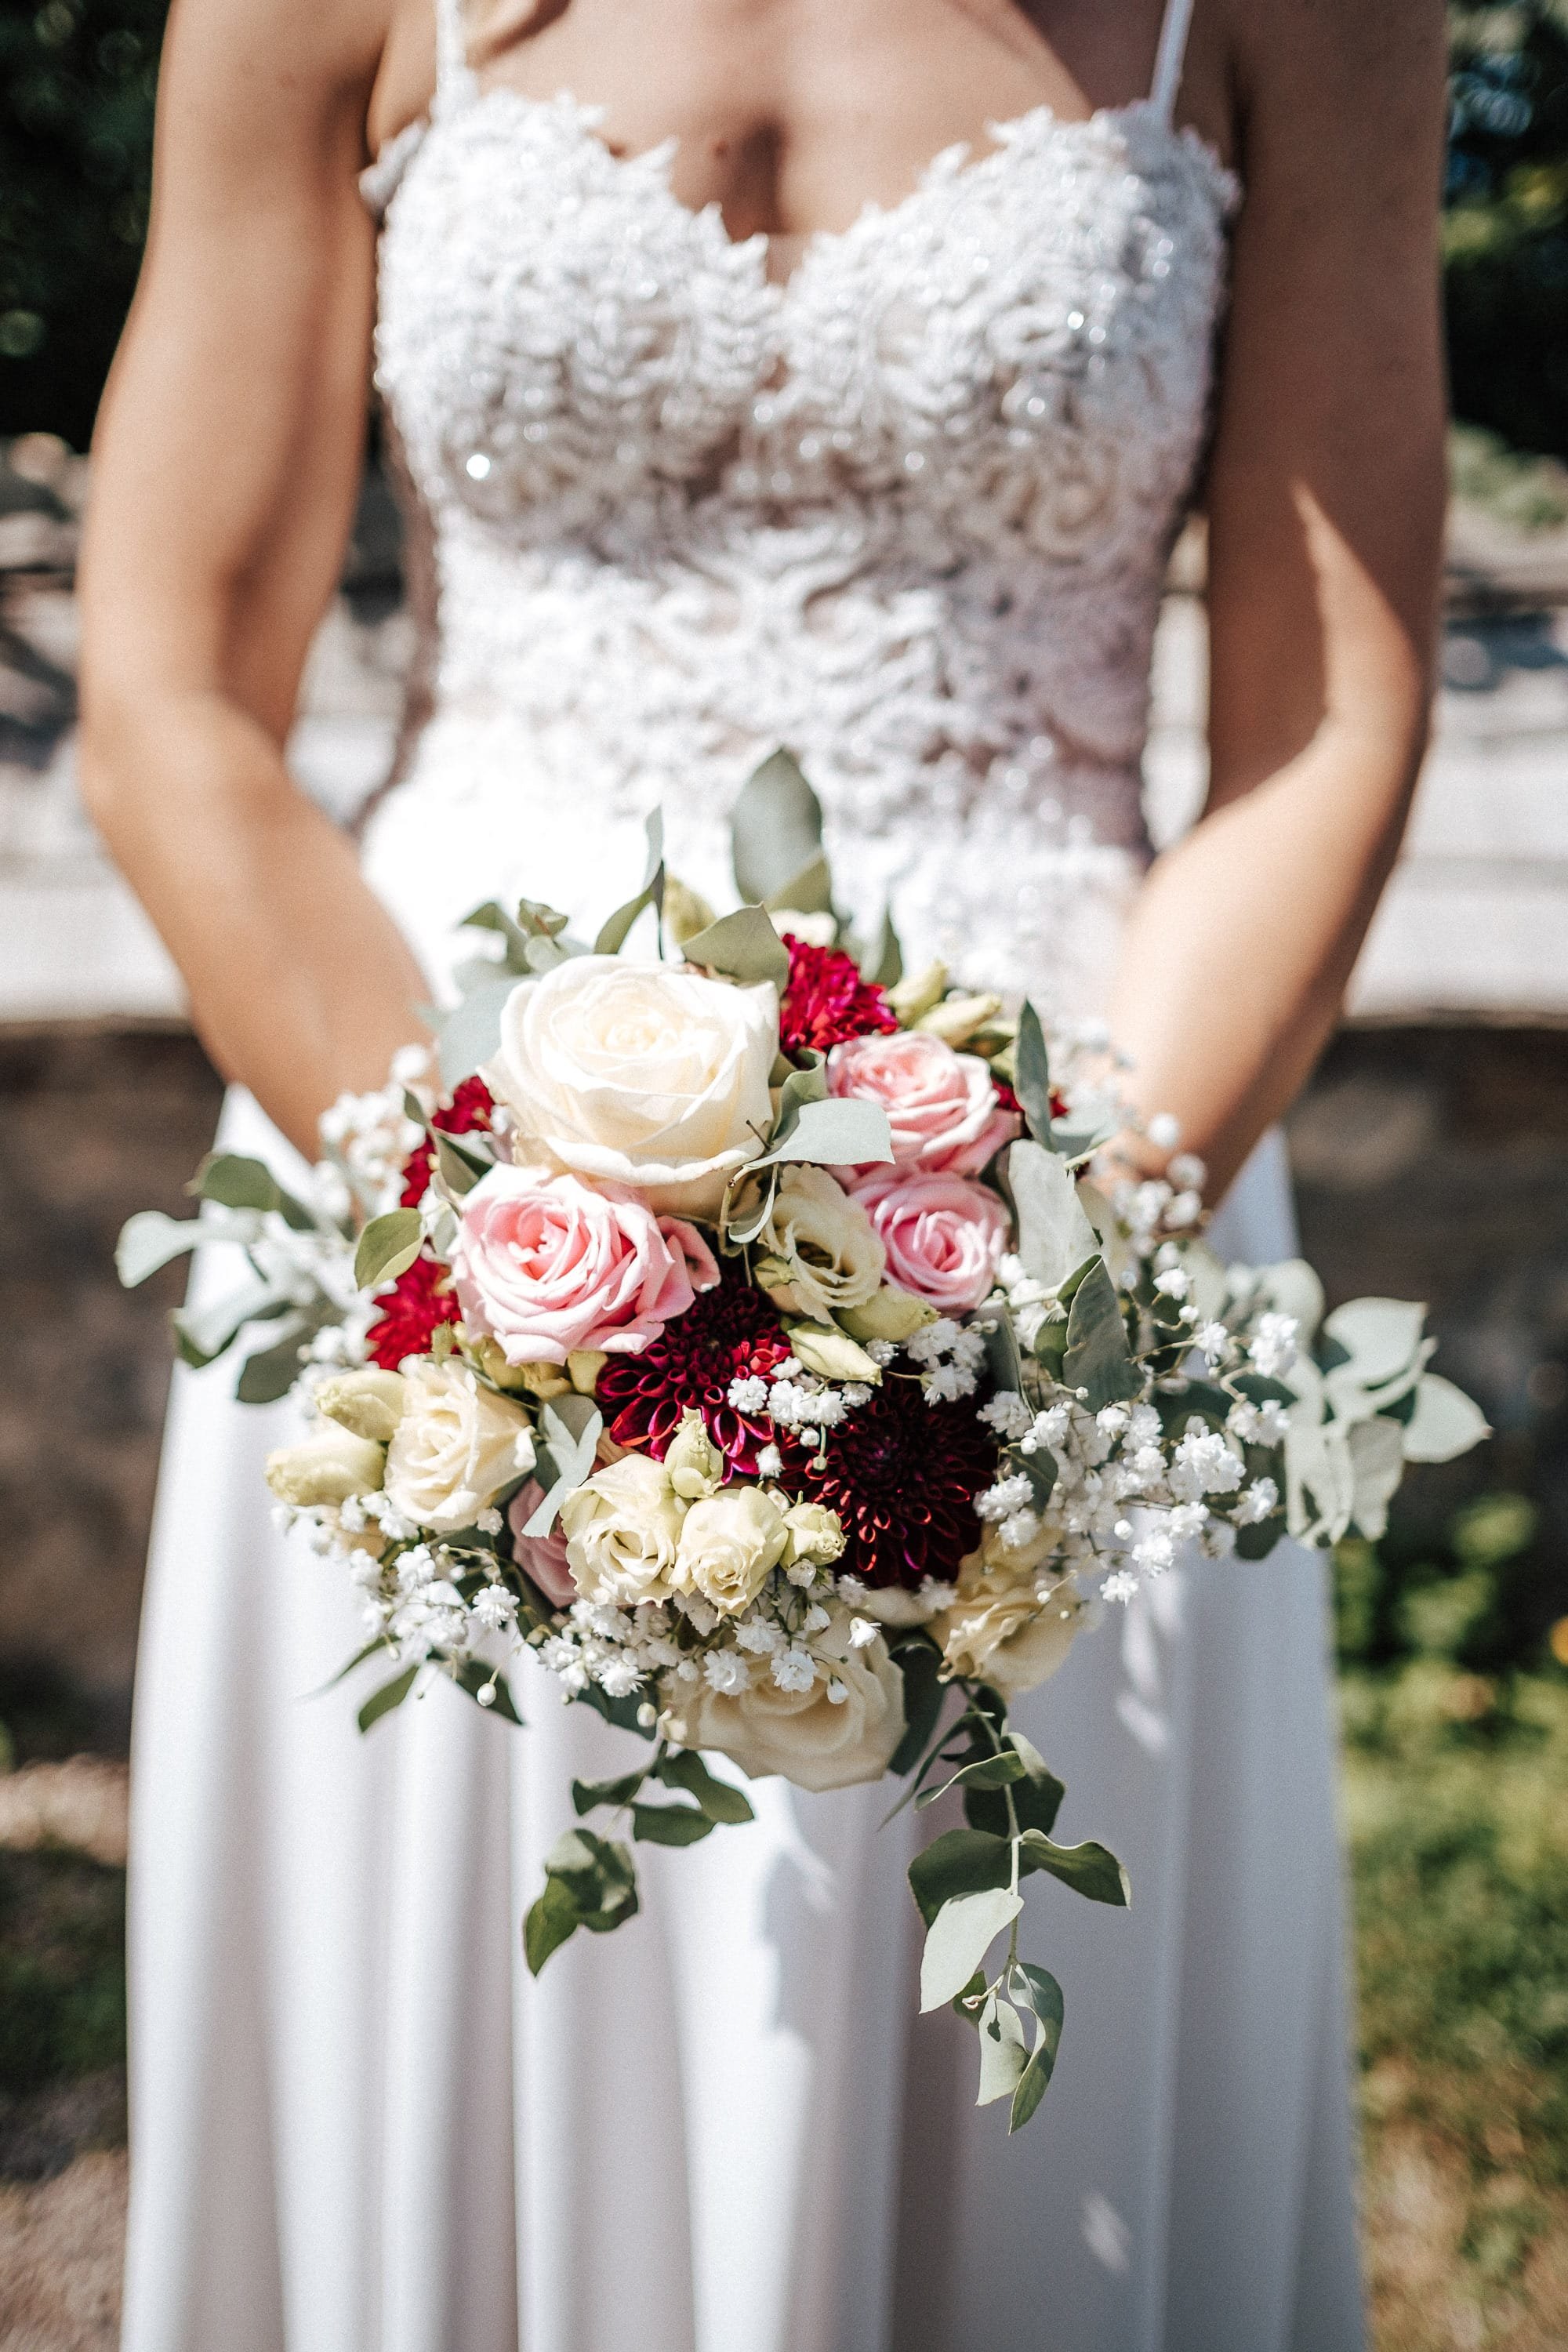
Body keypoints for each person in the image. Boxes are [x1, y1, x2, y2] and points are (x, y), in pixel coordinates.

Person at [78, 0, 1447, 2345]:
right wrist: (496, 1284)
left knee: (1013, 2080)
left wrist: (1036, 1301)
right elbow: (173, 687)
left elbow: (1329, 721)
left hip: (1065, 1186)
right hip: (439, 1169)